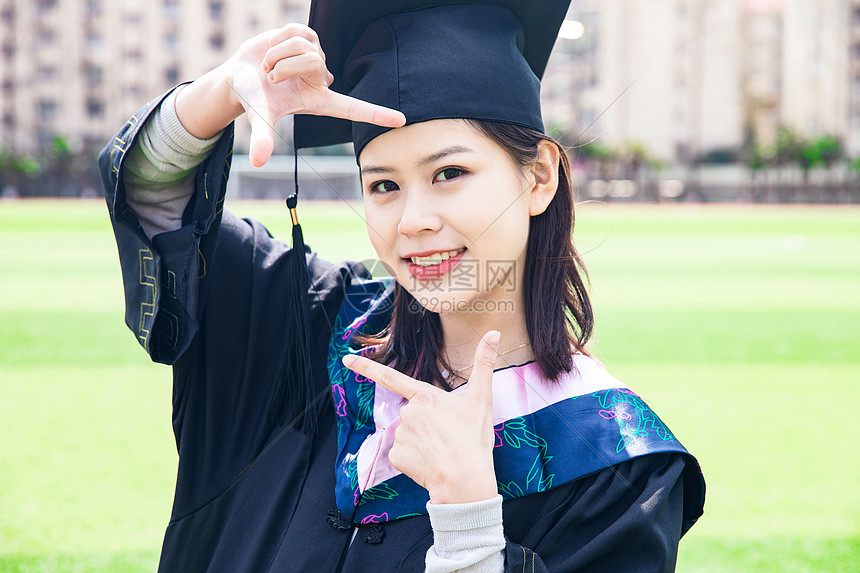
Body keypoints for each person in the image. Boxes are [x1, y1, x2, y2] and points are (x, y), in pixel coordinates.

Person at [99, 1, 705, 571]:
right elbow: (155, 199)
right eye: (383, 185)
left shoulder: (616, 464)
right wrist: (216, 93)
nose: (412, 220)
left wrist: (468, 519)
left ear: (539, 176)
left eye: (449, 173)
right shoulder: (305, 328)